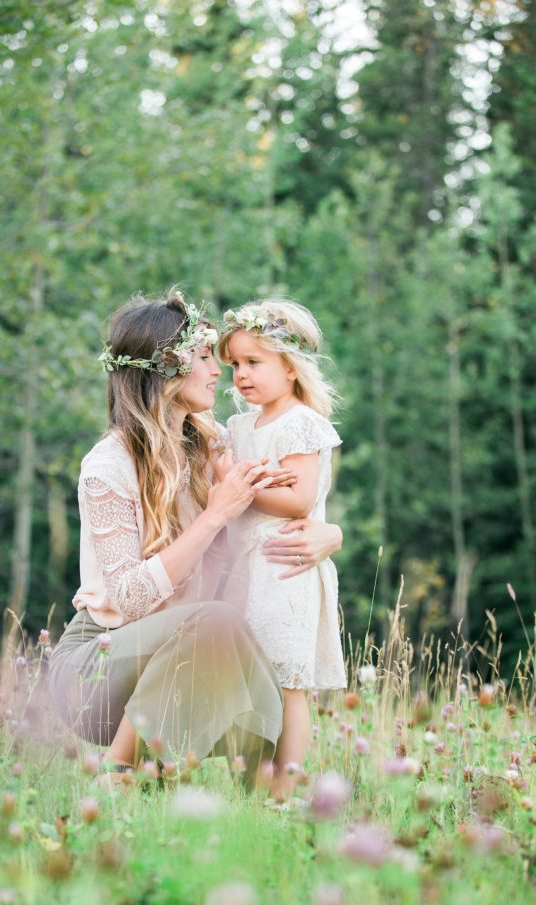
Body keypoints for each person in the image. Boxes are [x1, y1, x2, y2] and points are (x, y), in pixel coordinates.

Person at [48, 288, 343, 788]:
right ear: (167, 369)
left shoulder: (211, 448)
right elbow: (130, 598)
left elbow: (284, 502)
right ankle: (118, 774)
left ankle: (266, 811)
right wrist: (214, 515)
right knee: (217, 622)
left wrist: (327, 532)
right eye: (206, 357)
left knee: (264, 660)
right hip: (96, 669)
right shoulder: (109, 465)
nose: (219, 372)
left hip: (186, 654)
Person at [216, 299, 347, 800]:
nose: (241, 375)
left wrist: (235, 483)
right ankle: (249, 783)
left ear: (291, 368)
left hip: (285, 565)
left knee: (287, 681)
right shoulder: (240, 427)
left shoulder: (301, 423)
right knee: (246, 682)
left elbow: (298, 500)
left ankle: (283, 791)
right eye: (234, 365)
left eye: (254, 362)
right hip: (244, 567)